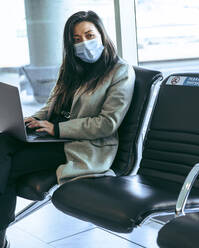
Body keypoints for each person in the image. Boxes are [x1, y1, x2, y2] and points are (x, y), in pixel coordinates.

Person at [0, 10, 135, 248]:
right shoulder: (72, 68)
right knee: (2, 142)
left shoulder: (120, 72)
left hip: (81, 145)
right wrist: (32, 121)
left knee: (7, 169)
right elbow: (51, 105)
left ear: (102, 35)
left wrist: (57, 129)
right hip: (54, 135)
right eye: (76, 39)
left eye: (89, 35)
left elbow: (107, 123)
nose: (84, 43)